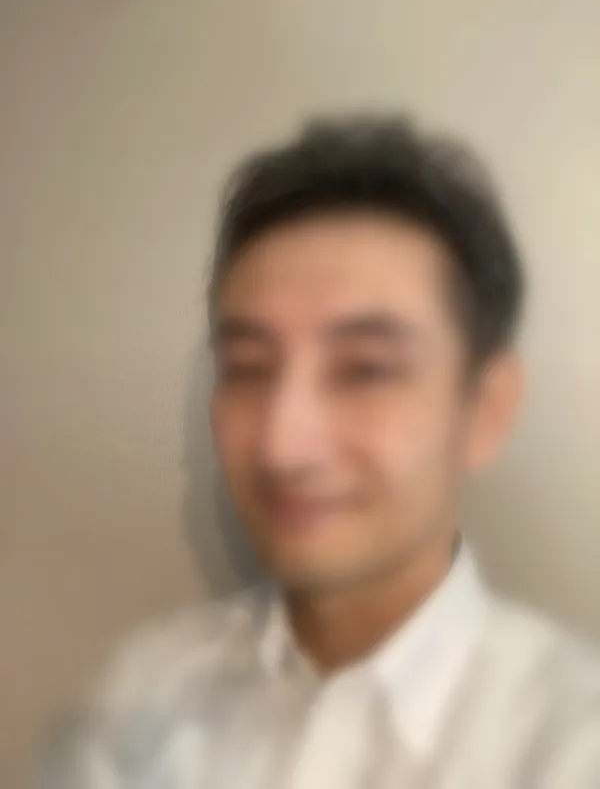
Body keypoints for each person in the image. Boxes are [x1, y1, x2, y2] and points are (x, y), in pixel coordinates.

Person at [39, 114, 600, 788]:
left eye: (365, 369)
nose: (283, 447)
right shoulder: (147, 691)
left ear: (485, 408)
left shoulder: (569, 744)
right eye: (247, 368)